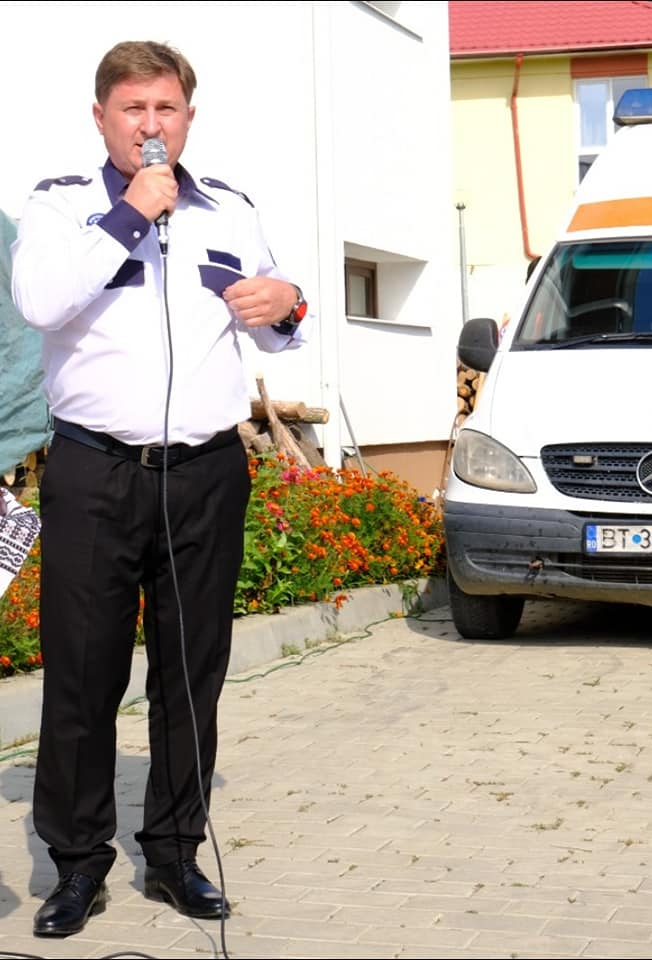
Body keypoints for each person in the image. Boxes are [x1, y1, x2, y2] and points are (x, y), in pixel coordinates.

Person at [11, 40, 311, 939]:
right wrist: (131, 213)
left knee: (190, 671)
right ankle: (77, 865)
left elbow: (275, 327)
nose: (151, 124)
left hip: (205, 474)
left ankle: (176, 854)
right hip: (96, 470)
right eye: (133, 108)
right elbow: (40, 303)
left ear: (188, 117)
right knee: (82, 674)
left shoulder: (229, 208)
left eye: (166, 108)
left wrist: (288, 303)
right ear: (101, 117)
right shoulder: (59, 206)